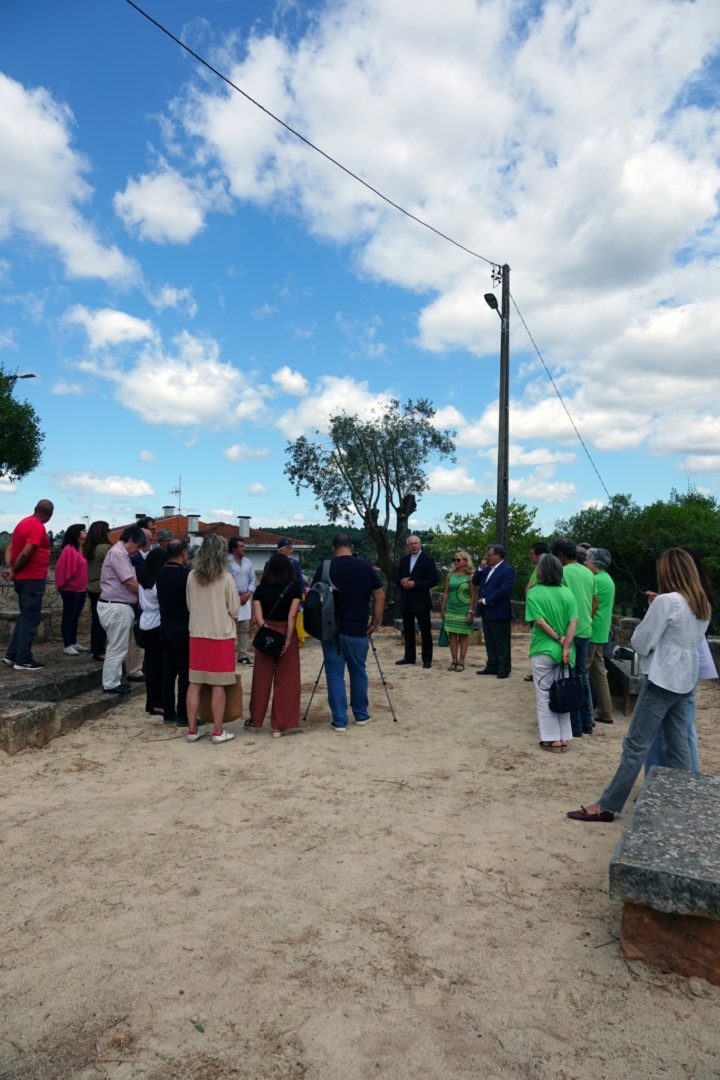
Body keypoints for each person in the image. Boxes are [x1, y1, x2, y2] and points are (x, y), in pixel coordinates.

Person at [567, 548, 711, 823]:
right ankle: (685, 800)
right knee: (678, 743)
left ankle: (608, 805)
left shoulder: (666, 601)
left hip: (662, 679)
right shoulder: (701, 602)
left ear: (667, 572)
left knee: (635, 744)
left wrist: (651, 617)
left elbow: (641, 643)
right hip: (686, 678)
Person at [644, 549, 716, 775]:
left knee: (662, 733)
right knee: (683, 730)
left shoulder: (674, 600)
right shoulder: (701, 598)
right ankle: (687, 778)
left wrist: (660, 606)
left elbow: (645, 640)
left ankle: (663, 778)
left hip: (670, 670)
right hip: (690, 667)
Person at [311, 533, 385, 734]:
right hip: (358, 629)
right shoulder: (365, 566)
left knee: (335, 675)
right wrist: (375, 622)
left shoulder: (325, 567)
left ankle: (340, 720)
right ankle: (361, 714)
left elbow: (313, 596)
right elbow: (380, 596)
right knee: (358, 672)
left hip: (331, 631)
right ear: (351, 546)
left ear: (333, 547)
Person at [185, 533, 240, 744]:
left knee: (195, 683)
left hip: (197, 634)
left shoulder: (191, 576)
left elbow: (189, 604)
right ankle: (218, 731)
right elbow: (234, 609)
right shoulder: (225, 577)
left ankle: (192, 730)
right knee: (218, 685)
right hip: (220, 636)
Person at [525, 554, 578, 751]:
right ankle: (564, 737)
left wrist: (557, 638)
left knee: (544, 694)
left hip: (543, 648)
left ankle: (551, 738)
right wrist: (566, 645)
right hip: (566, 651)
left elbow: (539, 621)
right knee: (563, 692)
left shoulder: (534, 593)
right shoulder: (567, 593)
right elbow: (573, 622)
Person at [247, 553, 302, 737]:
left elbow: (258, 618)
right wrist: (288, 638)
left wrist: (267, 632)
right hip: (286, 631)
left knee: (261, 678)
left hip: (266, 633)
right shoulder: (294, 587)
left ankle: (255, 720)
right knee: (286, 679)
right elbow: (292, 616)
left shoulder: (260, 589)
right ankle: (279, 725)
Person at [550, 539, 596, 735]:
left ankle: (574, 725)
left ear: (560, 555)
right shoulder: (588, 573)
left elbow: (560, 603)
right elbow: (595, 603)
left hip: (568, 631)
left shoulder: (562, 572)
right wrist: (585, 619)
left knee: (569, 677)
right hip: (585, 629)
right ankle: (587, 722)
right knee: (582, 675)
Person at [3, 499, 54, 671]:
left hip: (22, 579)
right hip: (32, 578)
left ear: (35, 509)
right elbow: (27, 552)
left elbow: (10, 549)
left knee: (24, 616)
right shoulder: (38, 527)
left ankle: (11, 655)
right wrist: (14, 570)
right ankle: (23, 659)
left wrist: (10, 569)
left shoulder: (22, 523)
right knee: (31, 618)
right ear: (50, 515)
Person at [97, 526, 145, 694]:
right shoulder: (118, 554)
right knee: (117, 647)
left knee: (117, 646)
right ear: (130, 540)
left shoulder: (119, 553)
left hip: (116, 605)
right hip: (117, 606)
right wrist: (146, 595)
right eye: (137, 546)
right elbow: (129, 582)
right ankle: (110, 683)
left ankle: (114, 680)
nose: (137, 550)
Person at [156, 539, 192, 727]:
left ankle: (168, 713)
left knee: (168, 673)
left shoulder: (160, 574)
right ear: (184, 553)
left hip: (165, 627)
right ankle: (183, 714)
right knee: (185, 675)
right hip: (184, 628)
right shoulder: (186, 576)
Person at [395, 534, 438, 669]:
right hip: (406, 601)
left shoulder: (428, 560)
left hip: (421, 601)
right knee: (408, 631)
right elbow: (396, 578)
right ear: (408, 546)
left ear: (420, 544)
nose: (413, 546)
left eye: (415, 543)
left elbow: (433, 580)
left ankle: (427, 659)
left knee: (425, 631)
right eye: (411, 544)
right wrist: (401, 581)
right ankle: (409, 657)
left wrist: (416, 584)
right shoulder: (404, 560)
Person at [474, 544, 515, 679]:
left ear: (498, 556)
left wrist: (486, 600)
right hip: (486, 611)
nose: (487, 557)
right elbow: (475, 581)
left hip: (499, 611)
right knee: (490, 641)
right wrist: (480, 568)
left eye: (489, 555)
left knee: (502, 642)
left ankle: (504, 668)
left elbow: (503, 591)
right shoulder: (486, 569)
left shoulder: (507, 570)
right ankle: (492, 665)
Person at [585, 548, 616, 724]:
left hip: (592, 630)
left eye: (587, 560)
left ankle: (586, 712)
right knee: (598, 672)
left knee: (583, 671)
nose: (585, 562)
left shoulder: (595, 580)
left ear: (595, 563)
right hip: (601, 631)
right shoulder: (607, 579)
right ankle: (605, 710)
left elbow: (590, 605)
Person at [137, 547, 169, 716]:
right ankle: (158, 703)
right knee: (159, 667)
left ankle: (152, 702)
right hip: (156, 623)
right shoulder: (157, 582)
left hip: (145, 622)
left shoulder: (143, 579)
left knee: (150, 665)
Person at [54, 523, 89, 656]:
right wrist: (64, 585)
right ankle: (67, 644)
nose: (85, 532)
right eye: (83, 530)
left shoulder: (79, 548)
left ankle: (73, 642)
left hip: (80, 588)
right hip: (70, 589)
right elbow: (60, 569)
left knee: (75, 616)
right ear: (76, 533)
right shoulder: (69, 549)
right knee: (69, 616)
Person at [439, 550, 476, 672]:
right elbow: (445, 593)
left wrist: (470, 611)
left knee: (464, 635)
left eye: (458, 560)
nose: (455, 562)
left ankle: (461, 660)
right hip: (450, 609)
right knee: (452, 635)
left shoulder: (471, 576)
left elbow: (473, 595)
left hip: (464, 610)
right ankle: (454, 660)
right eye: (454, 560)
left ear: (465, 561)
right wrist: (442, 609)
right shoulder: (450, 575)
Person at [83, 521, 111, 661]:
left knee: (96, 619)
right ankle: (100, 651)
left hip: (91, 586)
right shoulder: (105, 548)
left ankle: (95, 647)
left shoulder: (88, 548)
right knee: (103, 621)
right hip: (103, 587)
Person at [523, 542, 550, 681]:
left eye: (531, 553)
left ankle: (540, 672)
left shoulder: (543, 569)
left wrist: (531, 591)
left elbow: (529, 589)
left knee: (541, 642)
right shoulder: (537, 569)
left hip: (540, 612)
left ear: (539, 555)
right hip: (538, 612)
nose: (530, 556)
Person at [227, 536, 255, 665]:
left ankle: (242, 655)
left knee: (244, 628)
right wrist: (234, 596)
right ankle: (228, 655)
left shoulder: (248, 562)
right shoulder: (226, 562)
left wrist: (249, 592)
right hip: (231, 598)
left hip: (246, 597)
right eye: (241, 546)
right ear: (234, 548)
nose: (244, 548)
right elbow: (225, 580)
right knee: (230, 627)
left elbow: (252, 579)